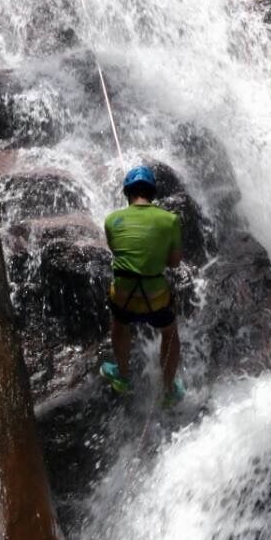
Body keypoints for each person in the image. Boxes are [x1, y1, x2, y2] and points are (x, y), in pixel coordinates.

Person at [99, 165, 186, 407]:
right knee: (169, 332)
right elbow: (175, 263)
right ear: (152, 193)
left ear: (127, 193)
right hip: (156, 296)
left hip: (124, 296)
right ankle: (169, 391)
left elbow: (118, 251)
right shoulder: (170, 220)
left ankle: (123, 375)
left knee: (119, 323)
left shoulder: (111, 220)